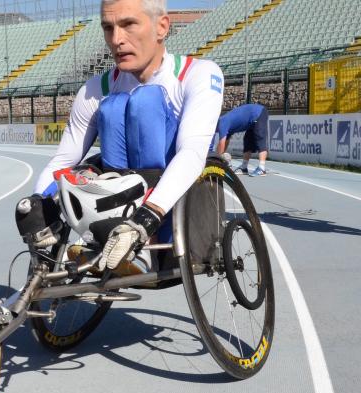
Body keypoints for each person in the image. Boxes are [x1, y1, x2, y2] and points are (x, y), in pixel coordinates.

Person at [33, 0, 224, 274]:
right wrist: (38, 205)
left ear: (161, 27)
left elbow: (193, 151)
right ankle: (104, 238)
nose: (116, 40)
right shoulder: (94, 89)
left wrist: (146, 217)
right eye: (108, 28)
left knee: (143, 103)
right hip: (118, 197)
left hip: (172, 204)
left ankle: (143, 249)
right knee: (111, 111)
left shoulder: (199, 74)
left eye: (128, 24)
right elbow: (64, 159)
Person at [215, 103, 269, 176]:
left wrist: (217, 160)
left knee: (260, 139)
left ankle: (262, 168)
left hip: (258, 113)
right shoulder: (223, 124)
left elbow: (221, 143)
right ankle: (244, 167)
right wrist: (220, 156)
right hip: (250, 121)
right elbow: (225, 142)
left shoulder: (222, 123)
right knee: (247, 142)